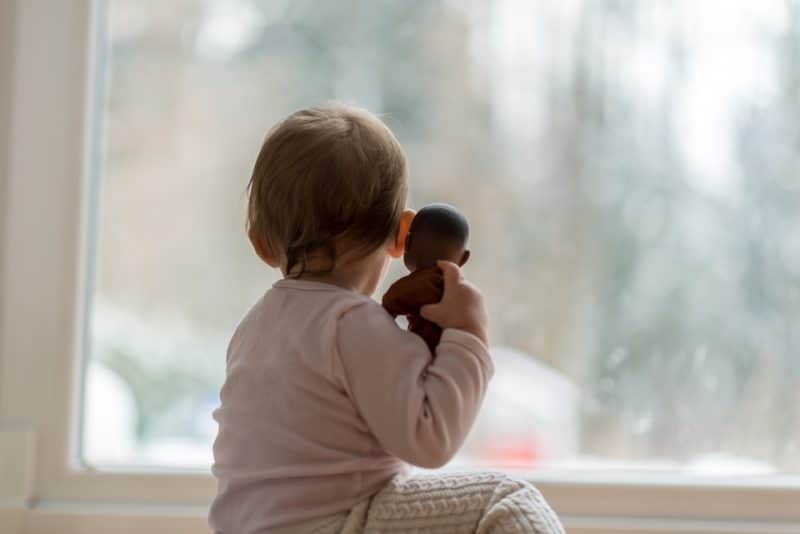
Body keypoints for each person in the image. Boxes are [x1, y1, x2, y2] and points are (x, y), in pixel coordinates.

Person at [209, 103, 564, 534]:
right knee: (508, 501)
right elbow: (429, 441)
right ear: (401, 236)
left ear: (261, 243)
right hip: (339, 522)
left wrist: (416, 349)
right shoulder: (352, 323)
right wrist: (468, 336)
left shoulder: (254, 327)